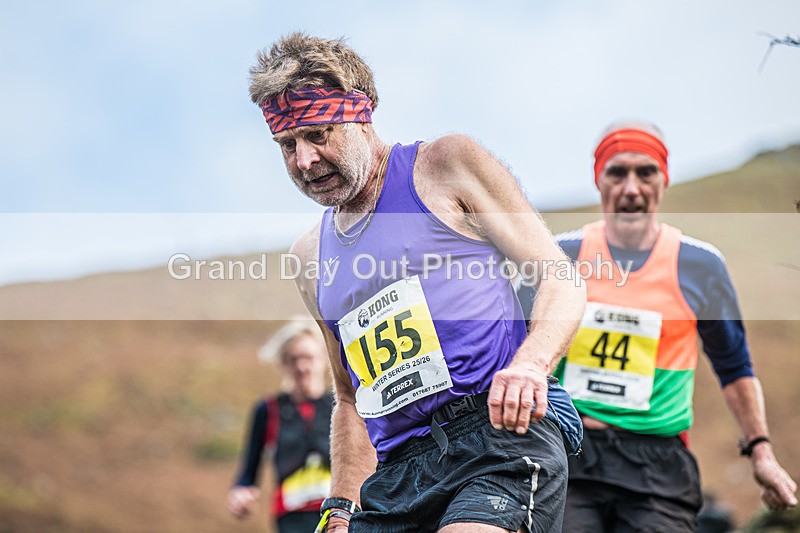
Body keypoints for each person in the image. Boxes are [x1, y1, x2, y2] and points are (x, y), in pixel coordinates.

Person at [248, 33, 586, 533]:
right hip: (396, 478)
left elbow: (560, 276)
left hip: (495, 440)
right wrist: (340, 506)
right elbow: (349, 397)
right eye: (287, 144)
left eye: (318, 135)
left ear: (361, 115)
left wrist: (531, 365)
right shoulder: (310, 256)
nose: (304, 160)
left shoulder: (443, 165)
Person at [518, 121, 798, 532]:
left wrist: (761, 453)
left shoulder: (700, 266)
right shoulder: (563, 256)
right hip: (568, 453)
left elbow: (734, 366)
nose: (631, 187)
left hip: (657, 467)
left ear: (663, 181)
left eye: (646, 172)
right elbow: (514, 348)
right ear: (600, 181)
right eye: (617, 172)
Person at [226, 319, 333, 532]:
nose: (302, 366)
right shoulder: (267, 409)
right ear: (282, 364)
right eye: (294, 359)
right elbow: (248, 470)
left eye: (309, 358)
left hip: (338, 513)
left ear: (323, 360)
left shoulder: (342, 405)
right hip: (292, 519)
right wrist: (240, 492)